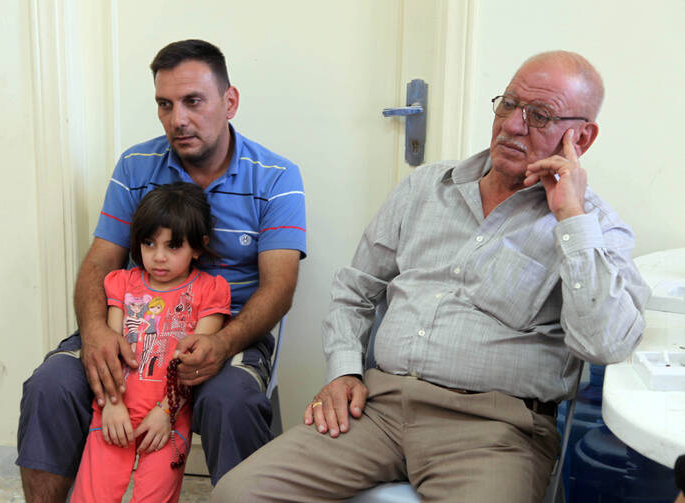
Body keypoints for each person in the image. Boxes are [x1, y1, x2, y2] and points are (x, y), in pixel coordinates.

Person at [212, 51, 650, 503]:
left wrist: (570, 219)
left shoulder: (593, 228)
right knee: (239, 493)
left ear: (582, 136)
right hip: (377, 409)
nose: (514, 126)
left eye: (540, 116)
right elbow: (355, 288)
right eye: (509, 104)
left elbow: (605, 345)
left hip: (495, 432)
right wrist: (344, 370)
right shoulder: (424, 188)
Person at [16, 39, 306, 502]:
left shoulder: (276, 176)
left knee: (230, 399)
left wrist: (221, 343)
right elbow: (99, 263)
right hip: (135, 323)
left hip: (224, 331)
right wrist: (94, 331)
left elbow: (280, 286)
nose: (178, 119)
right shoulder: (136, 165)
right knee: (51, 383)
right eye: (165, 105)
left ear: (229, 102)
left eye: (193, 101)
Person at [70, 182, 231, 502]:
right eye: (149, 243)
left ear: (198, 247)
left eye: (173, 246)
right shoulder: (122, 283)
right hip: (112, 413)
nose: (158, 257)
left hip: (167, 420)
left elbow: (196, 363)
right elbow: (111, 351)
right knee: (92, 496)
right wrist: (112, 405)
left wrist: (166, 413)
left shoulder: (210, 290)